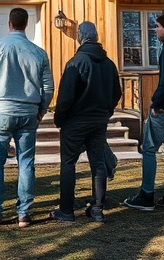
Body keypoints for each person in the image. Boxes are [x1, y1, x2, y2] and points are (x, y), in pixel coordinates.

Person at [0, 7, 54, 228]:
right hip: (28, 112)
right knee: (26, 162)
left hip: (1, 111)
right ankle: (23, 214)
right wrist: (42, 109)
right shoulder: (39, 53)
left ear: (10, 24)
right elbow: (48, 87)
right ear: (26, 24)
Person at [50, 22, 122, 224]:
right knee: (98, 163)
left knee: (68, 163)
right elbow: (116, 93)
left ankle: (66, 210)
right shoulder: (109, 64)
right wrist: (106, 112)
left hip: (75, 122)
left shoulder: (76, 62)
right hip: (98, 121)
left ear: (80, 37)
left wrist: (59, 119)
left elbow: (65, 97)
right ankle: (97, 209)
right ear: (96, 37)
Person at [124, 12, 164, 211]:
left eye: (157, 27)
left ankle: (146, 195)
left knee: (149, 149)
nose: (155, 30)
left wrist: (155, 103)